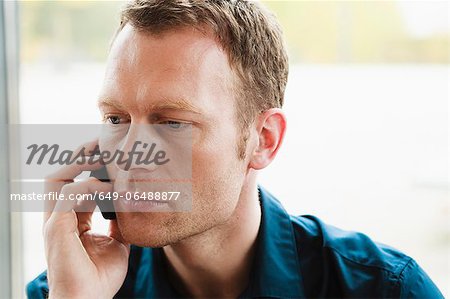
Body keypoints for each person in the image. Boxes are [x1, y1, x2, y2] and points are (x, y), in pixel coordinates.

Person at [27, 1, 443, 298]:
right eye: (115, 119)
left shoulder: (386, 289)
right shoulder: (70, 288)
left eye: (173, 123)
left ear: (263, 140)